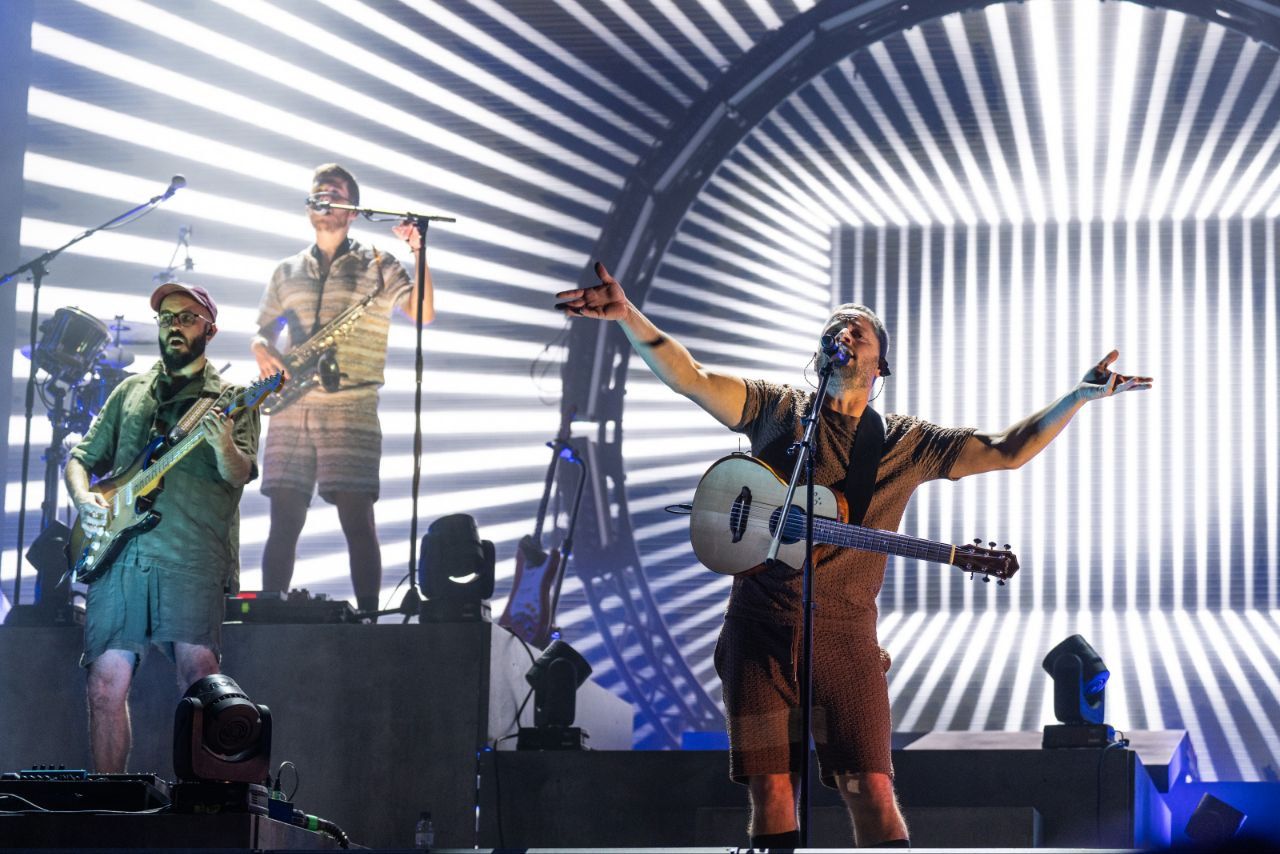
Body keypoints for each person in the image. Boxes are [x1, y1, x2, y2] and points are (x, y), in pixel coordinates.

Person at [556, 262, 1151, 849]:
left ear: (879, 362)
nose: (842, 332)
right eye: (833, 328)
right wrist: (626, 314)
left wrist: (1077, 396)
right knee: (770, 787)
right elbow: (690, 376)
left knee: (868, 784)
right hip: (757, 633)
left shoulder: (905, 443)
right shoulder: (778, 410)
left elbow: (1006, 448)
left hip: (845, 637)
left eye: (856, 329)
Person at [67, 282, 260, 773]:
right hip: (119, 558)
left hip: (191, 555)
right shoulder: (129, 392)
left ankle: (204, 809)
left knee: (200, 681)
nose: (175, 325)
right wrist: (83, 496)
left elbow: (241, 473)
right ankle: (108, 807)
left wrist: (221, 446)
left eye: (187, 318)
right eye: (167, 317)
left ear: (210, 330)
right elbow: (81, 458)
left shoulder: (232, 398)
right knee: (104, 686)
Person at [251, 163, 433, 614]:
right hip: (290, 406)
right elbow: (264, 330)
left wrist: (419, 253)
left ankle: (368, 616)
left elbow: (423, 312)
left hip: (352, 404)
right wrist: (261, 348)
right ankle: (270, 614)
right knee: (283, 520)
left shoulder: (379, 263)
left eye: (334, 192)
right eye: (318, 192)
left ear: (352, 209)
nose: (324, 198)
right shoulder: (286, 270)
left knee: (357, 519)